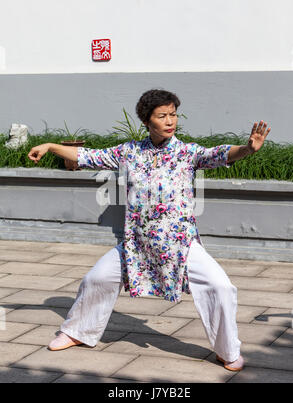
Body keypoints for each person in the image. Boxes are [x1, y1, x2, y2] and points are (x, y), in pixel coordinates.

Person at [28, 89, 271, 372]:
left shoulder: (187, 152)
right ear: (147, 120)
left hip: (180, 244)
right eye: (162, 116)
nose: (170, 121)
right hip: (137, 245)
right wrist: (50, 146)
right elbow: (87, 156)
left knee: (220, 287)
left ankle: (227, 351)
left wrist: (248, 149)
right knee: (96, 279)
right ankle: (76, 332)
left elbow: (217, 154)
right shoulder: (128, 152)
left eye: (173, 115)